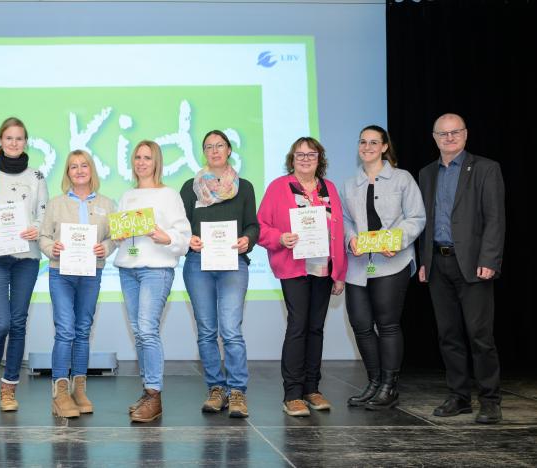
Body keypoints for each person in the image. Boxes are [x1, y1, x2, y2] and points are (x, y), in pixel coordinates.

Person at [417, 113, 505, 424]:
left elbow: (495, 218)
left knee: (480, 335)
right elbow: (424, 221)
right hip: (438, 264)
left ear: (466, 135)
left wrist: (489, 260)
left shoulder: (485, 168)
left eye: (455, 132)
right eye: (443, 133)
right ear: (434, 137)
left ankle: (490, 399)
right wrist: (424, 261)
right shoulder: (426, 173)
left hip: (473, 265)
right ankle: (459, 396)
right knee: (449, 335)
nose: (449, 138)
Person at [257, 136, 347, 417]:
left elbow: (340, 230)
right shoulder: (278, 187)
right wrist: (280, 237)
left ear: (320, 158)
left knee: (316, 327)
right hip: (293, 267)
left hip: (323, 268)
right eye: (300, 155)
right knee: (298, 325)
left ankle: (312, 389)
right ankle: (292, 393)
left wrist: (339, 273)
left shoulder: (328, 188)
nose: (306, 159)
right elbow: (260, 227)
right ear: (291, 159)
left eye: (312, 154)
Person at [340, 125, 425, 410]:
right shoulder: (350, 183)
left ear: (385, 146)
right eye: (362, 141)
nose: (367, 147)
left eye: (374, 142)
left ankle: (390, 386)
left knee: (387, 325)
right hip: (359, 264)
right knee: (361, 325)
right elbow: (344, 221)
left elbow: (416, 217)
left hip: (392, 261)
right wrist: (350, 240)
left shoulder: (402, 179)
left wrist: (397, 240)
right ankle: (374, 382)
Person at [0, 117, 48, 412]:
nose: (14, 143)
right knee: (0, 322)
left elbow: (44, 214)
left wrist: (36, 229)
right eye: (9, 138)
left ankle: (9, 389)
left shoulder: (37, 177)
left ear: (25, 142)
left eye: (19, 138)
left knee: (18, 323)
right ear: (0, 141)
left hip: (26, 257)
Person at [180, 130, 259, 418]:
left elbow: (253, 225)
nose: (215, 151)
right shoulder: (190, 187)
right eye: (209, 147)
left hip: (233, 264)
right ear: (204, 153)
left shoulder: (245, 187)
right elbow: (182, 225)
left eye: (220, 146)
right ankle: (216, 388)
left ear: (229, 150)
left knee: (231, 330)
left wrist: (246, 240)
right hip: (198, 264)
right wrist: (189, 238)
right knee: (206, 331)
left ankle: (237, 391)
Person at [114, 140, 192, 423]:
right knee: (139, 332)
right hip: (128, 269)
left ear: (156, 161)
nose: (141, 162)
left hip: (156, 270)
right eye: (137, 157)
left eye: (147, 157)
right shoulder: (127, 196)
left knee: (147, 330)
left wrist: (167, 237)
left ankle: (155, 395)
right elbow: (119, 234)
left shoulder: (169, 195)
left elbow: (183, 237)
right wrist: (117, 236)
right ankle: (148, 393)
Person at [39, 149, 116, 418]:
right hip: (61, 273)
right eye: (74, 166)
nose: (80, 170)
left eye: (84, 166)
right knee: (65, 330)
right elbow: (43, 237)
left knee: (83, 330)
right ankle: (60, 391)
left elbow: (114, 237)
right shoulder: (55, 203)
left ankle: (79, 388)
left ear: (91, 170)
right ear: (68, 173)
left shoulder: (107, 203)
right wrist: (52, 248)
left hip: (91, 272)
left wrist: (105, 247)